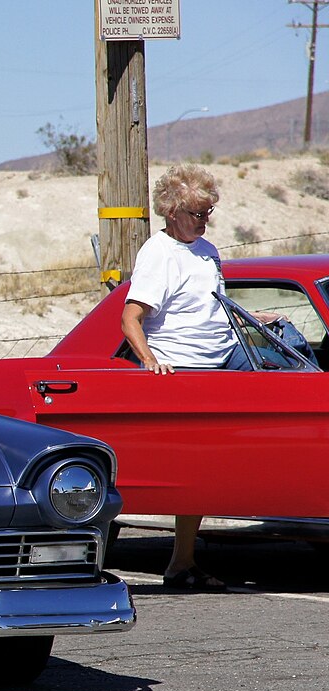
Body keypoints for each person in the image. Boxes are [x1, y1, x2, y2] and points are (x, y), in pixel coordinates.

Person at [120, 164, 239, 593]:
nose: (203, 221)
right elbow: (130, 319)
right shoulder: (158, 253)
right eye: (196, 213)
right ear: (171, 212)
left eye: (207, 213)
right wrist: (151, 362)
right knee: (190, 467)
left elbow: (214, 308)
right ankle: (180, 562)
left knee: (205, 468)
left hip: (220, 363)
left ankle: (182, 562)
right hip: (183, 369)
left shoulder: (207, 250)